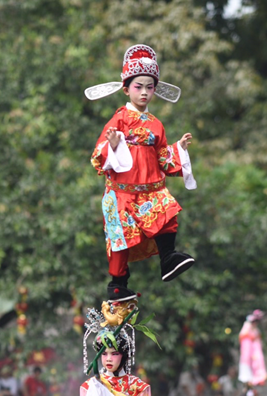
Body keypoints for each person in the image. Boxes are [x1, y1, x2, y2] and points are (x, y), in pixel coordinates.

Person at [86, 44, 196, 302]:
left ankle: (168, 259)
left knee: (169, 212)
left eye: (150, 86)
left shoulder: (157, 124)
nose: (145, 92)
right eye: (139, 86)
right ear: (126, 88)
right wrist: (113, 145)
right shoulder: (119, 119)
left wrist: (178, 149)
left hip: (151, 191)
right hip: (123, 194)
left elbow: (162, 159)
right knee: (120, 241)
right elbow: (98, 156)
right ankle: (118, 285)